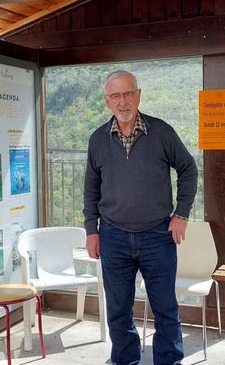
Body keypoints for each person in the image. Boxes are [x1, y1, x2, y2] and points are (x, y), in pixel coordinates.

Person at [83, 70, 198, 365]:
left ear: (139, 95)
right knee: (119, 311)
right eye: (116, 96)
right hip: (113, 237)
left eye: (128, 94)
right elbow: (90, 189)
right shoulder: (97, 140)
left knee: (165, 310)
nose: (123, 102)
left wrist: (181, 214)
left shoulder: (162, 132)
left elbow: (188, 170)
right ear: (107, 101)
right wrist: (91, 230)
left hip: (157, 236)